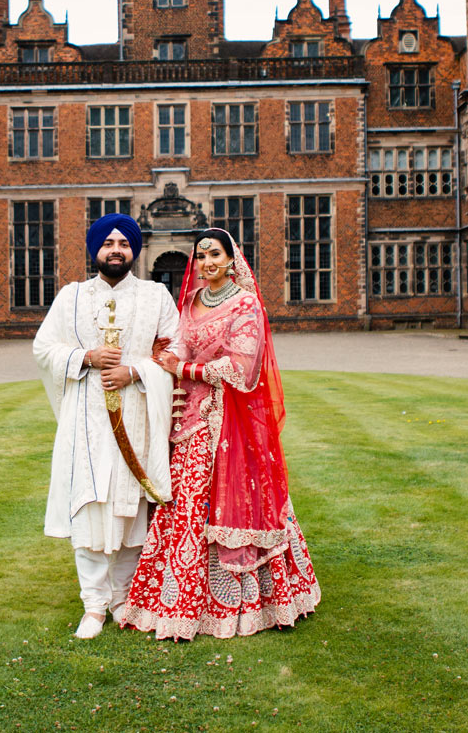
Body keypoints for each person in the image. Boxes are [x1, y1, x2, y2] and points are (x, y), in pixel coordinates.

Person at [116, 227, 320, 640]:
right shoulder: (189, 301)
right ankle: (180, 602)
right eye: (202, 255)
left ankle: (251, 603)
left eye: (215, 254)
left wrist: (183, 370)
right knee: (184, 504)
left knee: (235, 500)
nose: (208, 262)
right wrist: (168, 368)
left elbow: (240, 370)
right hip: (190, 418)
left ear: (231, 259)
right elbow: (181, 348)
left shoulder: (246, 304)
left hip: (230, 420)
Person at [32, 213, 179, 639]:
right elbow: (44, 348)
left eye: (124, 243)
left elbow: (176, 350)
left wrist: (134, 373)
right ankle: (94, 606)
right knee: (90, 505)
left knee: (131, 509)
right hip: (86, 422)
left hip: (137, 417)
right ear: (95, 249)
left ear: (134, 250)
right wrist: (86, 359)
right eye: (108, 243)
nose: (116, 250)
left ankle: (124, 600)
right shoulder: (71, 297)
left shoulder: (155, 296)